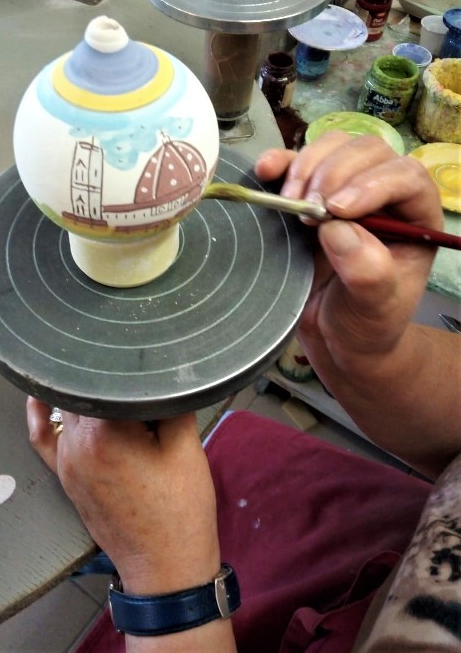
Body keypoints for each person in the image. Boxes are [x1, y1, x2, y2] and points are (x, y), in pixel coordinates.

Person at [27, 132, 461, 652]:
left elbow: (166, 573)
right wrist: (371, 354)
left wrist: (164, 578)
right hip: (388, 540)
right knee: (164, 466)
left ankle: (117, 550)